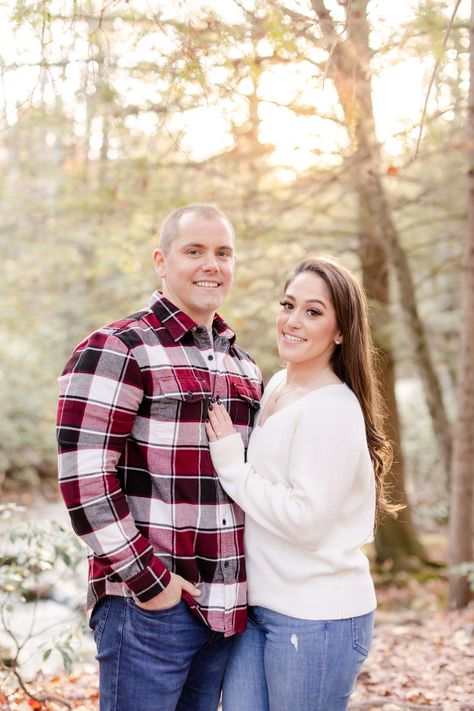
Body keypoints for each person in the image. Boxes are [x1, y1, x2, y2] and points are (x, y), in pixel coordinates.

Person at [56, 203, 262, 711]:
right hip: (147, 610)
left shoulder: (244, 366)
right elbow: (85, 484)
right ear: (162, 261)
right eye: (194, 251)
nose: (211, 264)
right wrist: (152, 584)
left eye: (223, 252)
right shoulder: (118, 347)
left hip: (223, 612)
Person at [205, 256, 394, 711]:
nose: (292, 321)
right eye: (288, 304)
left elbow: (307, 522)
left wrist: (232, 467)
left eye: (313, 312)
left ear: (341, 330)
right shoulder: (276, 386)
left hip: (317, 616)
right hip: (261, 606)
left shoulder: (332, 408)